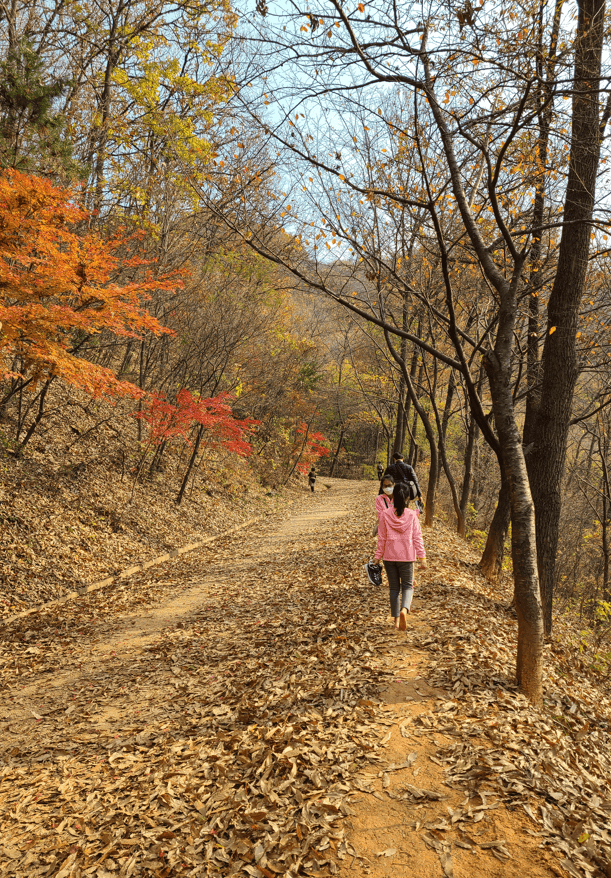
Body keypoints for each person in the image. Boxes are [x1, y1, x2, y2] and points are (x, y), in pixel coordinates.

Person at [371, 481, 427, 631]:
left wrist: (377, 557)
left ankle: (396, 621)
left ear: (393, 497)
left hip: (389, 557)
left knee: (394, 588)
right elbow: (417, 537)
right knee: (408, 586)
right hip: (407, 557)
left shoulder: (385, 514)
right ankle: (404, 610)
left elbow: (381, 538)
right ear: (407, 498)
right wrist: (422, 558)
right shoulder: (412, 515)